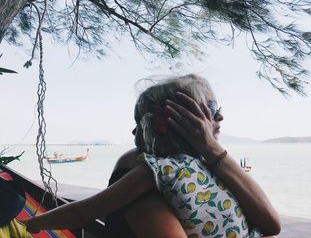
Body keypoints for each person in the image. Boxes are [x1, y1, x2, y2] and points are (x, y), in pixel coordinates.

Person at [23, 74, 280, 237]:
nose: (220, 116)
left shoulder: (158, 171)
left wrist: (33, 223)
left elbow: (82, 211)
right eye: (212, 109)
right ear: (185, 120)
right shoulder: (189, 168)